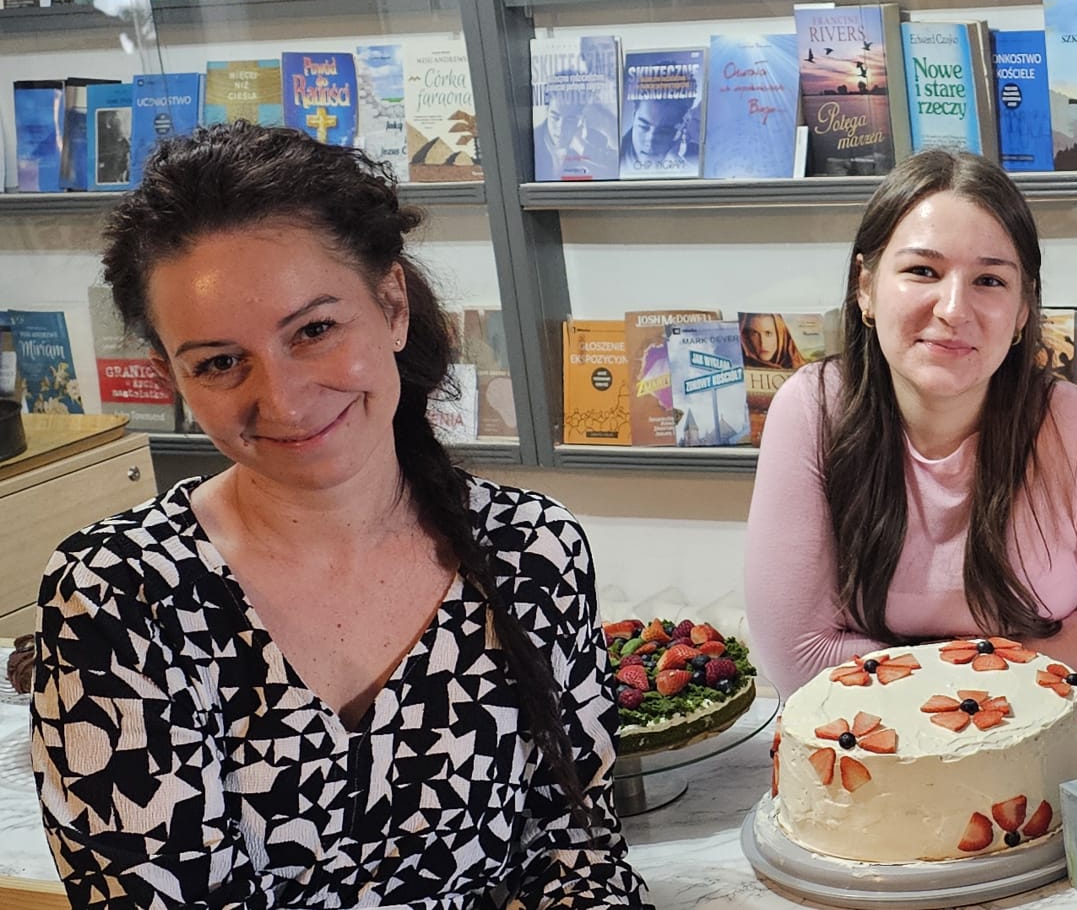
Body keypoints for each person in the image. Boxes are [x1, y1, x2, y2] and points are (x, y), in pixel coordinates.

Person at [32, 122, 647, 908]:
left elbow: (578, 856)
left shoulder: (531, 551)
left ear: (391, 305)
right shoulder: (118, 596)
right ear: (171, 377)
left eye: (314, 330)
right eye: (220, 362)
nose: (284, 400)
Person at [743, 150, 1077, 722]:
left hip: (1028, 745)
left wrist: (980, 673)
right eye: (922, 271)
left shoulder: (1073, 430)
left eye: (989, 280)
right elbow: (799, 657)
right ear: (865, 287)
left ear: (1022, 312)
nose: (953, 309)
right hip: (861, 749)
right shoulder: (813, 408)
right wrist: (988, 671)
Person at [741, 312, 806, 370]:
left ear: (781, 336)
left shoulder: (801, 367)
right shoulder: (742, 365)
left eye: (768, 333)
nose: (763, 343)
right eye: (754, 334)